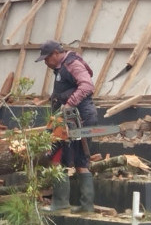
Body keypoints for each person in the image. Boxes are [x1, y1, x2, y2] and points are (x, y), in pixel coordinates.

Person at [36, 39, 98, 213]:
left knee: (77, 160)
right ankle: (66, 202)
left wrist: (70, 103)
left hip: (81, 118)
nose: (46, 63)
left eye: (47, 59)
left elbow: (87, 85)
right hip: (65, 121)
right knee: (58, 158)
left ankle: (84, 205)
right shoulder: (60, 68)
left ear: (56, 54)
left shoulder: (72, 64)